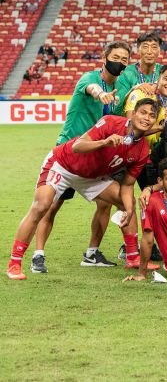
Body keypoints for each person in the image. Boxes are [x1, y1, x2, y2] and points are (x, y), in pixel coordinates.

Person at [7, 100, 160, 280]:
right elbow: (77, 146)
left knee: (127, 202)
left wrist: (127, 209)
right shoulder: (111, 122)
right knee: (42, 206)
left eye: (152, 115)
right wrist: (104, 142)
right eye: (143, 112)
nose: (147, 118)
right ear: (133, 114)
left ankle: (133, 257)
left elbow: (127, 185)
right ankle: (14, 264)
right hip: (62, 165)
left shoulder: (142, 149)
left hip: (92, 177)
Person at [30, 41, 132, 273]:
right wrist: (102, 95)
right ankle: (38, 255)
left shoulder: (120, 90)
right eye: (116, 57)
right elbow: (92, 90)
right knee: (51, 206)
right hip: (69, 154)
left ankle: (92, 253)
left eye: (124, 59)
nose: (120, 62)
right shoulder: (89, 79)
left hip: (97, 155)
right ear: (104, 58)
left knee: (104, 203)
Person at [114, 32, 163, 109]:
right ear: (138, 50)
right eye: (145, 47)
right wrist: (134, 89)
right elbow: (117, 105)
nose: (149, 52)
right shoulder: (126, 73)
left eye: (154, 47)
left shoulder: (165, 72)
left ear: (159, 51)